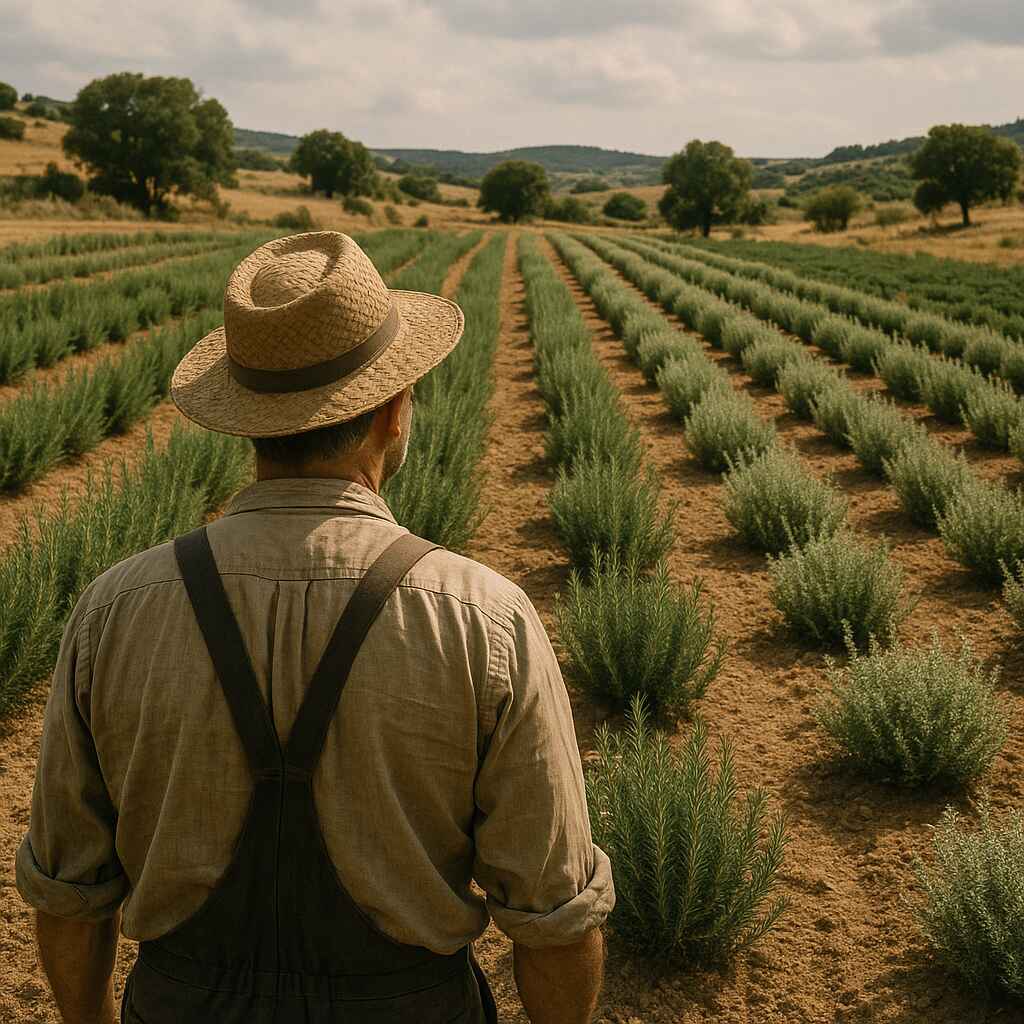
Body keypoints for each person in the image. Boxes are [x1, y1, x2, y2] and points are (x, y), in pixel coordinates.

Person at [15, 231, 615, 1024]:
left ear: (246, 419)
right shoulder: (482, 617)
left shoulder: (116, 608)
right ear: (394, 411)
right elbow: (554, 918)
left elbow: (67, 894)